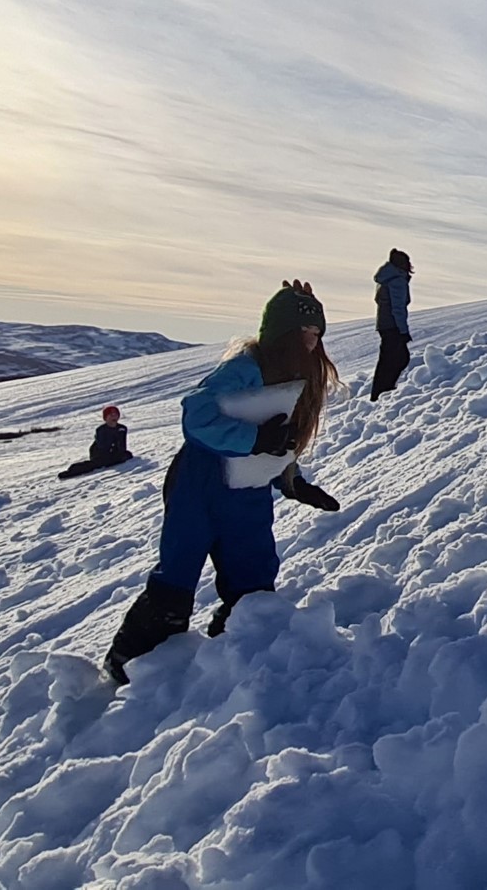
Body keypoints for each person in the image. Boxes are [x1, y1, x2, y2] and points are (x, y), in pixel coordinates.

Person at [103, 282, 342, 686]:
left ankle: (238, 649)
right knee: (176, 576)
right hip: (200, 486)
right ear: (284, 333)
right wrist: (254, 440)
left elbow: (277, 440)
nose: (313, 343)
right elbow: (197, 417)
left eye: (317, 335)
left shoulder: (293, 381)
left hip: (247, 495)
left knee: (253, 576)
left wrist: (292, 481)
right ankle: (131, 666)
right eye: (306, 333)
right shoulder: (244, 369)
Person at [370, 249, 413, 401]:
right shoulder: (397, 280)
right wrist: (403, 331)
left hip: (384, 324)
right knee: (398, 358)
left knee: (389, 359)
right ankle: (383, 392)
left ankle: (380, 391)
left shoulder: (385, 279)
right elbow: (398, 308)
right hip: (393, 326)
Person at [59, 405, 133, 479]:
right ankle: (72, 470)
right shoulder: (101, 430)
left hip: (113, 452)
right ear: (106, 418)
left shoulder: (122, 428)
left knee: (126, 455)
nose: (113, 417)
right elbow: (103, 446)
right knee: (98, 464)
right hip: (99, 453)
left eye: (115, 415)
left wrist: (120, 453)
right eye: (111, 415)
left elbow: (122, 444)